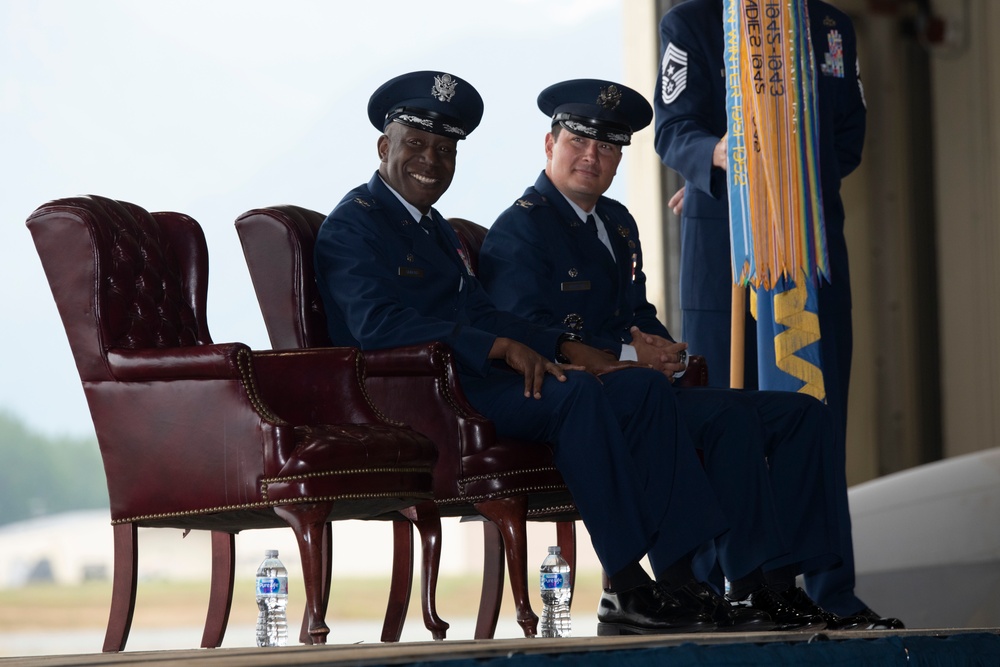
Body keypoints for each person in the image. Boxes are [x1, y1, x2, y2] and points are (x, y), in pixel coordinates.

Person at [314, 70, 746, 636]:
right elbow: (377, 325)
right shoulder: (354, 225)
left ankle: (681, 575)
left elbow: (486, 313)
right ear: (382, 148)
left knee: (635, 386)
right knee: (576, 397)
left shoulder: (434, 229)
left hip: (475, 378)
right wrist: (498, 347)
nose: (431, 161)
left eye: (445, 151)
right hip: (421, 396)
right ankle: (624, 581)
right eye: (415, 145)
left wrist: (567, 347)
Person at [478, 77, 887, 631]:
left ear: (621, 158)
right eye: (578, 142)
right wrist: (628, 352)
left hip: (639, 388)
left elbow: (637, 312)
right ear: (549, 146)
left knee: (800, 415)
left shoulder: (617, 223)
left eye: (607, 146)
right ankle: (708, 582)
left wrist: (664, 347)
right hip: (586, 399)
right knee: (724, 420)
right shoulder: (521, 228)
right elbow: (529, 331)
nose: (591, 156)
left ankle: (771, 584)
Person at [652, 0, 901, 628]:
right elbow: (673, 130)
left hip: (808, 259)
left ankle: (825, 592)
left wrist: (779, 184)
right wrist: (725, 162)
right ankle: (721, 592)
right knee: (721, 423)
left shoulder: (829, 27)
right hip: (724, 260)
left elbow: (847, 138)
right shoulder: (694, 22)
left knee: (815, 425)